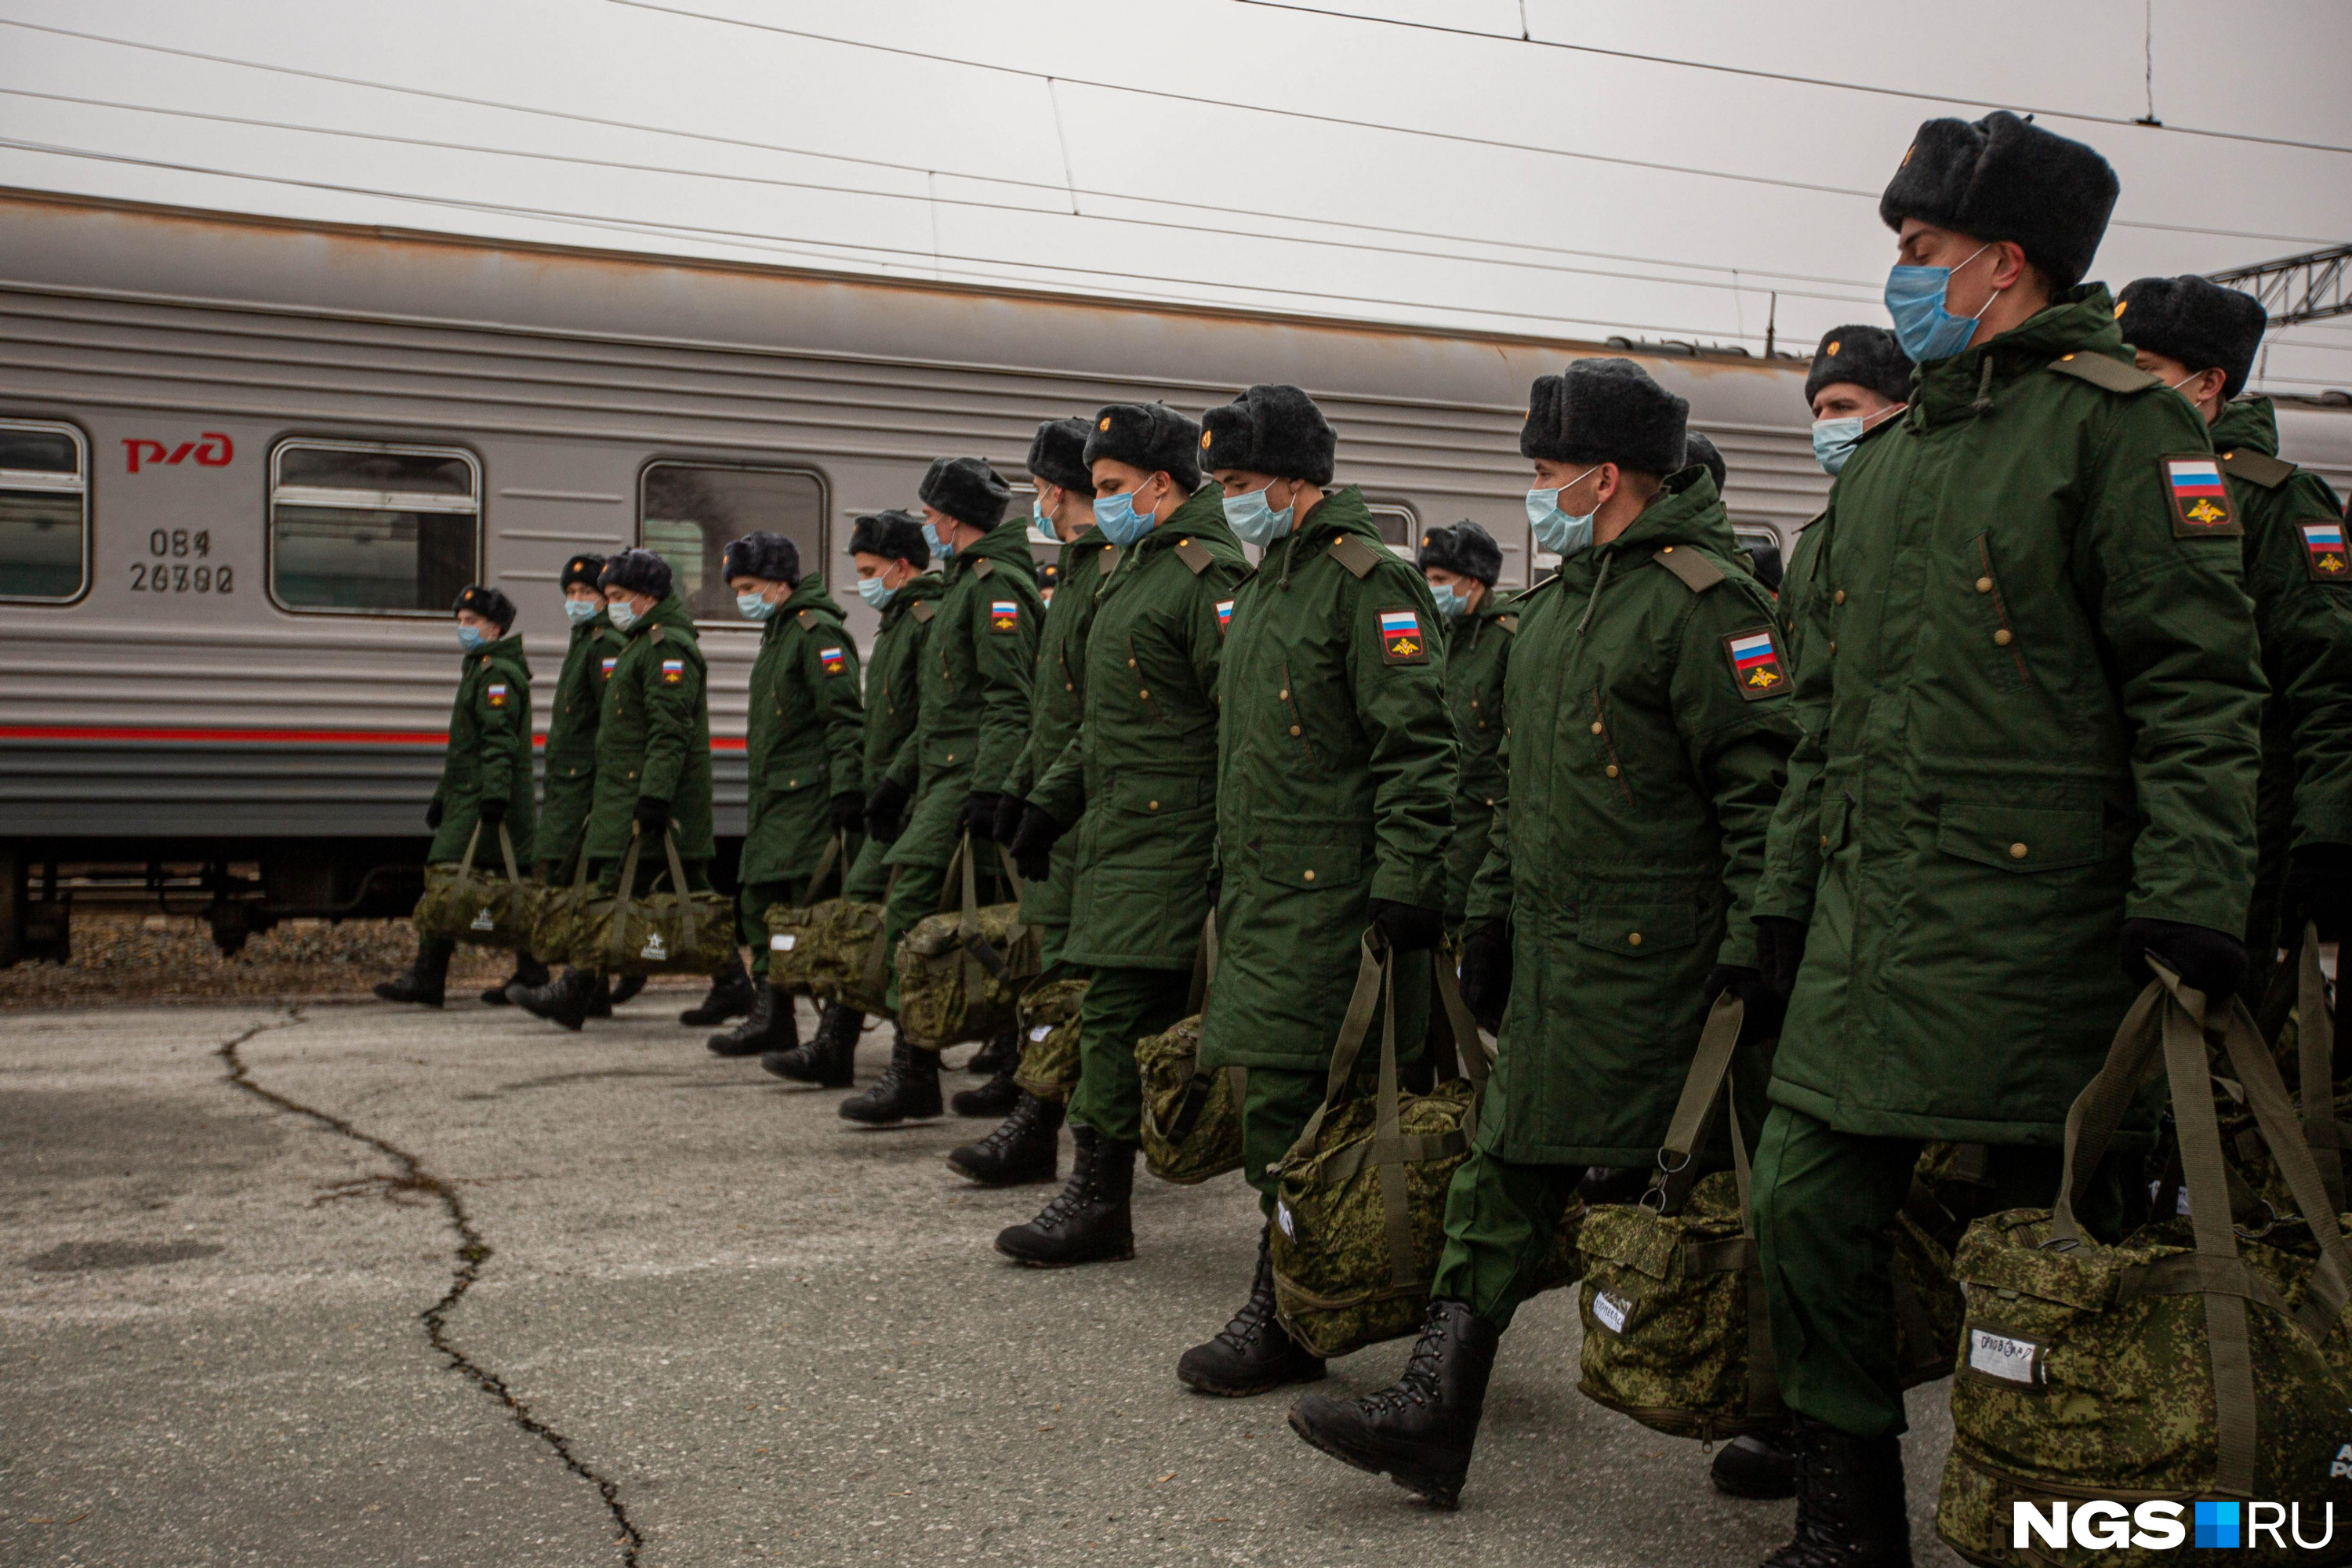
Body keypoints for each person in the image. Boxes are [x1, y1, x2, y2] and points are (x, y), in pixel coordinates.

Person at [1743, 114, 2265, 1566]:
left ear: (2002, 262)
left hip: (2042, 936)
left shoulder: (2122, 427)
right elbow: (1825, 715)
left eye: (1919, 255)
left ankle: (2053, 1500)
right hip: (1870, 924)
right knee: (1800, 1195)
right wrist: (1782, 904)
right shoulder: (1899, 458)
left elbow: (2199, 688)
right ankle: (1847, 1515)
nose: (1903, 281)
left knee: (2049, 1244)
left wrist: (2192, 898)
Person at [1287, 358, 1798, 1509]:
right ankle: (1435, 1410)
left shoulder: (1708, 603)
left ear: (1604, 476)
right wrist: (1495, 922)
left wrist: (1756, 941)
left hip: (1674, 972)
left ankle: (1807, 1424)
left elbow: (1763, 790)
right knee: (1503, 1173)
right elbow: (1520, 787)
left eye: (1546, 469)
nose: (1533, 487)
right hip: (1568, 959)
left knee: (1748, 1196)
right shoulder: (1561, 607)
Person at [1175, 384, 1456, 1396]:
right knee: (1275, 1096)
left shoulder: (1366, 582)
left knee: (1299, 1105)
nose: (1229, 502)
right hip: (1264, 891)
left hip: (1333, 897)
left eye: (1242, 483)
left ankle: (1288, 1311)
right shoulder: (1267, 585)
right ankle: (1303, 1292)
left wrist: (1410, 881)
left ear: (1299, 480)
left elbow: (1419, 747)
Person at [1713, 324, 1918, 1504]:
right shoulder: (1838, 536)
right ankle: (1840, 1474)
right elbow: (1812, 737)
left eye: (1845, 402)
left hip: (1986, 907)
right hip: (1851, 899)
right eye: (1819, 405)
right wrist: (1777, 907)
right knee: (1805, 1188)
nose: (1827, 425)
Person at [990, 403, 1250, 1255]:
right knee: (1109, 1013)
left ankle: (1100, 1200)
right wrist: (1049, 802)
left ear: (1160, 485)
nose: (1094, 503)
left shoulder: (1204, 576)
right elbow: (1103, 724)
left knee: (1111, 1017)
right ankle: (1096, 1191)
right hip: (1120, 835)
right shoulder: (1134, 569)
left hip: (1170, 843)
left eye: (1108, 488)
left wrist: (1223, 855)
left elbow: (1238, 729)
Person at [2114, 274, 2352, 998]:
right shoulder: (2121, 477)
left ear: (2208, 382)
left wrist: (2328, 840)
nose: (2123, 386)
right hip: (2133, 823)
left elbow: (2332, 677)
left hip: (2241, 836)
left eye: (2145, 370)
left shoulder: (2278, 501)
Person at [833, 459, 1043, 1123]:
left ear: (951, 518)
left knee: (921, 915)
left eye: (931, 514)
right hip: (943, 777)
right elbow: (942, 708)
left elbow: (1009, 703)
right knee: (990, 932)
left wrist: (987, 792)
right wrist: (897, 780)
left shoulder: (994, 587)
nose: (927, 525)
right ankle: (999, 1062)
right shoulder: (962, 587)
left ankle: (918, 1069)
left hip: (968, 780)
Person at [947, 418, 1111, 1183]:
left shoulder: (1104, 569)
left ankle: (1045, 1126)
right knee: (1053, 973)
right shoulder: (1074, 572)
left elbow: (1089, 712)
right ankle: (1036, 1112)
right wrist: (1017, 791)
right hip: (1062, 800)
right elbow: (1049, 706)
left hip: (1090, 811)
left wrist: (1037, 796)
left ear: (1053, 491)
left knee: (1076, 983)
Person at [513, 549, 740, 1030]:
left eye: (615, 596)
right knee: (683, 891)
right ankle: (731, 983)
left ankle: (577, 990)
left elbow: (669, 729)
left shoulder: (665, 648)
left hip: (650, 797)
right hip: (632, 792)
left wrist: (654, 796)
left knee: (617, 887)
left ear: (646, 596)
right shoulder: (642, 642)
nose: (608, 605)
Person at [767, 511, 942, 1087]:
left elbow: (934, 717)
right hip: (892, 802)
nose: (862, 582)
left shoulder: (924, 620)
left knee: (904, 930)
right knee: (862, 916)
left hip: (920, 801)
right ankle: (836, 1046)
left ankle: (910, 1063)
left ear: (901, 567)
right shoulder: (897, 622)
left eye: (869, 570)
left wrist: (895, 783)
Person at [706, 531, 866, 1058]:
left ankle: (828, 1030)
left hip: (808, 805)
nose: (742, 597)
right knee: (762, 907)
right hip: (776, 802)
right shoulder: (779, 633)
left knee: (807, 913)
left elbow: (844, 722)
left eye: (749, 586)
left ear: (779, 583)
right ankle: (773, 1013)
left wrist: (846, 792)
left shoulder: (815, 634)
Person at [377, 584, 539, 1006]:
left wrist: (494, 798)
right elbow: (463, 751)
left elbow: (497, 742)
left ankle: (428, 978)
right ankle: (532, 973)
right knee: (510, 883)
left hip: (484, 800)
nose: (462, 629)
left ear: (495, 628)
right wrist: (442, 796)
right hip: (469, 797)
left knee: (447, 878)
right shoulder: (480, 668)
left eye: (472, 622)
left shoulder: (497, 675)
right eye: (460, 622)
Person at [500, 555, 635, 1015]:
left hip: (587, 787)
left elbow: (611, 722)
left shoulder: (605, 645)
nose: (576, 602)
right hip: (571, 784)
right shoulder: (584, 641)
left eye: (587, 594)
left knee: (582, 884)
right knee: (576, 883)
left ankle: (581, 987)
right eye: (571, 594)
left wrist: (603, 790)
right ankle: (590, 992)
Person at [1415, 521, 1514, 935]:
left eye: (1439, 579)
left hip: (1485, 833)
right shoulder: (1443, 636)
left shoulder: (1508, 639)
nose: (1430, 587)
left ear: (1472, 582)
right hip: (1446, 828)